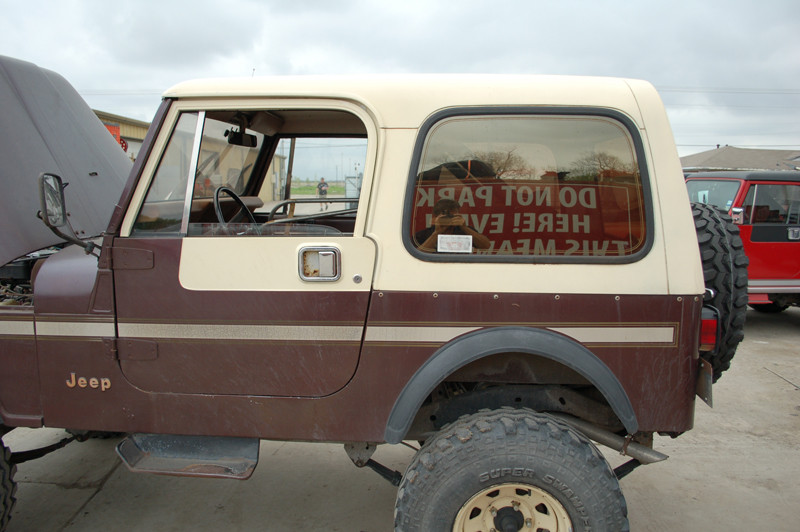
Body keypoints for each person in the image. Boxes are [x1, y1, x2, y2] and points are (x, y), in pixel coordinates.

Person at [415, 199, 491, 252]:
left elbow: (486, 246)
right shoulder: (425, 234)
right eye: (446, 217)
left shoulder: (464, 231)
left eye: (453, 216)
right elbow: (416, 256)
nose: (449, 219)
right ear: (436, 217)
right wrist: (436, 233)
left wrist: (465, 228)